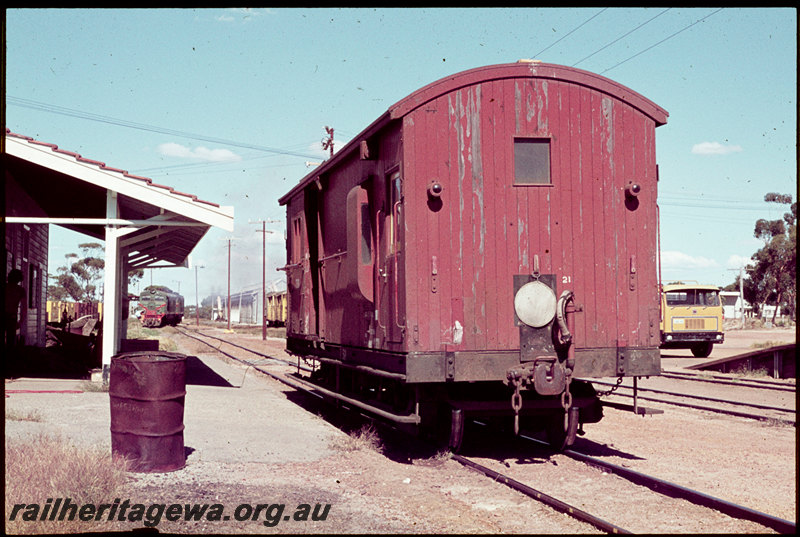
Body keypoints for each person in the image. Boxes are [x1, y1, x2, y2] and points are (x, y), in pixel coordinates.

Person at [5, 269, 27, 349]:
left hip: (10, 316)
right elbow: (24, 308)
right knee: (10, 342)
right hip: (12, 317)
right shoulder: (20, 290)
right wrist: (21, 321)